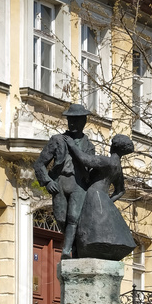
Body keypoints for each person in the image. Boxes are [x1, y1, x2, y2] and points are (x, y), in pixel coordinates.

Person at [33, 104, 96, 259]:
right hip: (60, 181)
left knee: (74, 217)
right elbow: (39, 163)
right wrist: (47, 181)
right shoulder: (57, 140)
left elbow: (90, 166)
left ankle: (66, 250)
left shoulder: (89, 146)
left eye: (76, 120)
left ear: (84, 121)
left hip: (79, 184)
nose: (73, 124)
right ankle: (73, 244)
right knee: (61, 218)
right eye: (70, 120)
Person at [64, 133, 136, 260]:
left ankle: (68, 248)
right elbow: (120, 191)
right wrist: (107, 202)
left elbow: (84, 159)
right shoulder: (118, 168)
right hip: (103, 197)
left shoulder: (106, 161)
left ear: (113, 147)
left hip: (92, 195)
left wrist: (71, 145)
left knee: (76, 222)